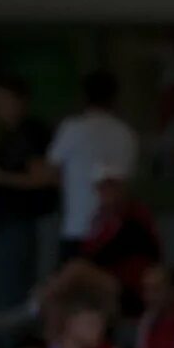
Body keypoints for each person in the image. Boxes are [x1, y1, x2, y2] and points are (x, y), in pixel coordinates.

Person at [0, 75, 57, 343]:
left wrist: (1, 178)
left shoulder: (29, 134)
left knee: (13, 295)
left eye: (4, 100)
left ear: (19, 102)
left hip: (21, 221)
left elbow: (44, 177)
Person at [45, 72, 138, 261]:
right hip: (114, 230)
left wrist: (71, 187)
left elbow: (51, 170)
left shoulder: (72, 129)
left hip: (77, 225)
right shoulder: (125, 134)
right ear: (114, 98)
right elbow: (126, 181)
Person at [77, 168, 162, 302]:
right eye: (102, 189)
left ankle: (36, 304)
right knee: (68, 293)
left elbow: (109, 252)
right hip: (103, 277)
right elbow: (88, 251)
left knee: (77, 272)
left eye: (111, 187)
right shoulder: (99, 219)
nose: (106, 193)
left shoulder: (136, 216)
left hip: (132, 284)